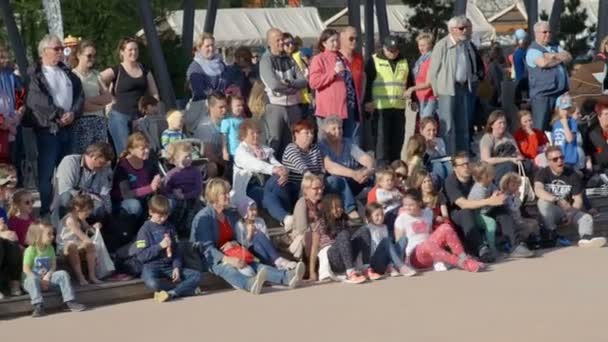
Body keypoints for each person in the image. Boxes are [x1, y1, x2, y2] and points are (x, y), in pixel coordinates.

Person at [190, 178, 305, 295]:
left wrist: (234, 243)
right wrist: (228, 259)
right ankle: (249, 284)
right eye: (224, 194)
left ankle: (287, 277)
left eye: (228, 193)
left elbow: (235, 236)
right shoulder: (204, 217)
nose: (228, 196)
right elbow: (206, 249)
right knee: (226, 268)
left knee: (255, 264)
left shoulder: (229, 214)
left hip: (230, 251)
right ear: (214, 196)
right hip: (209, 258)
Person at [25, 34, 85, 217]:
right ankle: (45, 212)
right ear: (44, 52)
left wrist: (73, 113)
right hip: (48, 130)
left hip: (68, 128)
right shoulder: (35, 74)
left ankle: (65, 210)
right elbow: (36, 100)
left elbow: (79, 95)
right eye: (57, 49)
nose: (61, 52)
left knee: (67, 172)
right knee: (47, 174)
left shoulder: (67, 72)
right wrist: (59, 115)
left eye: (62, 49)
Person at [444, 152, 533, 262]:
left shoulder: (477, 175)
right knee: (466, 212)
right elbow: (463, 204)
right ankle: (481, 249)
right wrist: (490, 201)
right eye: (462, 165)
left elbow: (492, 188)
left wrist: (499, 196)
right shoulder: (451, 181)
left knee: (501, 208)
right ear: (454, 168)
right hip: (460, 214)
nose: (466, 167)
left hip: (482, 209)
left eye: (467, 163)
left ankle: (515, 245)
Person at [429, 16, 484, 155]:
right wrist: (436, 92)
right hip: (446, 89)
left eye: (466, 27)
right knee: (447, 125)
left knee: (463, 124)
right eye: (461, 28)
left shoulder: (465, 45)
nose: (465, 30)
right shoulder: (442, 45)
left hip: (463, 87)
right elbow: (433, 71)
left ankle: (462, 155)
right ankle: (447, 155)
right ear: (452, 30)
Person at [394, 189, 484, 272]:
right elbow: (399, 243)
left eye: (411, 205)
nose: (407, 208)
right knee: (427, 244)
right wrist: (401, 264)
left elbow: (439, 225)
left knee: (446, 227)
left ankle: (464, 258)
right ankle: (462, 264)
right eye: (405, 205)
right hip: (415, 256)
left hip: (432, 251)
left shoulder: (428, 212)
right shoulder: (401, 219)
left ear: (419, 203)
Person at [534, 146, 606, 248]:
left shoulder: (572, 174)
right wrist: (557, 199)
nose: (560, 161)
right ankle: (552, 234)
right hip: (551, 211)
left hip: (568, 210)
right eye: (555, 159)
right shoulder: (542, 173)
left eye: (562, 157)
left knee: (586, 218)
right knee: (543, 202)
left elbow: (578, 200)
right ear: (549, 162)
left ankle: (586, 239)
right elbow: (538, 190)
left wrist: (570, 214)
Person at [136, 195, 202, 303]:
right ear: (151, 212)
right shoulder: (144, 230)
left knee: (196, 275)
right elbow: (141, 256)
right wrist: (159, 246)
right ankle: (185, 290)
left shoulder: (170, 227)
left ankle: (172, 293)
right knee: (152, 283)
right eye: (159, 216)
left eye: (165, 215)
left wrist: (176, 266)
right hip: (151, 266)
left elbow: (177, 251)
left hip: (168, 265)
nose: (163, 219)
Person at [100, 37, 159, 155]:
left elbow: (154, 92)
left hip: (139, 117)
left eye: (136, 49)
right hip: (119, 116)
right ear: (122, 52)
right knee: (125, 152)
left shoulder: (144, 69)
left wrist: (152, 107)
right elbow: (98, 79)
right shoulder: (118, 70)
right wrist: (109, 97)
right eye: (130, 50)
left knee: (143, 151)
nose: (134, 52)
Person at [233, 119, 294, 229]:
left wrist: (283, 171)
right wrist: (274, 169)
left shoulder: (264, 149)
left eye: (258, 133)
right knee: (266, 194)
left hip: (266, 184)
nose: (256, 136)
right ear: (243, 136)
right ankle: (285, 217)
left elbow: (276, 163)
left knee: (279, 179)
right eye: (252, 133)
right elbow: (255, 164)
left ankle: (287, 217)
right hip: (249, 188)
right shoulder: (241, 152)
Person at [259, 28, 308, 158]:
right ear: (269, 43)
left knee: (293, 144)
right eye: (278, 40)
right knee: (274, 144)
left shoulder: (290, 59)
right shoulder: (266, 60)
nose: (282, 43)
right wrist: (292, 87)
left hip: (293, 106)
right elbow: (273, 84)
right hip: (275, 107)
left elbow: (303, 81)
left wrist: (289, 83)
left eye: (282, 39)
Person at [23, 221, 86, 317]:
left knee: (63, 274)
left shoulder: (50, 248)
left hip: (47, 280)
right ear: (38, 236)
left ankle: (69, 302)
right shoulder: (30, 250)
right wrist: (40, 280)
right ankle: (38, 305)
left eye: (52, 234)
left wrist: (48, 276)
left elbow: (53, 266)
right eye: (49, 234)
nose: (52, 236)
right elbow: (26, 269)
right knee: (32, 279)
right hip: (33, 282)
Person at [364, 35, 410, 163]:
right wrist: (367, 101)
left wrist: (413, 97)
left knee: (397, 142)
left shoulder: (404, 61)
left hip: (399, 108)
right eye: (390, 50)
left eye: (395, 50)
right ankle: (382, 172)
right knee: (381, 145)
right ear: (383, 48)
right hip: (380, 109)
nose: (393, 53)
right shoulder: (374, 61)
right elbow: (366, 83)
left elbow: (410, 81)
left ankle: (396, 170)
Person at [319, 115, 374, 221]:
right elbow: (330, 167)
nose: (338, 131)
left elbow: (365, 158)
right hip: (334, 185)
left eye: (340, 128)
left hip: (353, 180)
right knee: (336, 179)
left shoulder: (348, 142)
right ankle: (350, 209)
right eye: (333, 129)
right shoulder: (322, 145)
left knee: (373, 175)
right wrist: (354, 174)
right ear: (325, 132)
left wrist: (368, 170)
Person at [309, 29, 359, 142]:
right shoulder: (319, 59)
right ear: (324, 43)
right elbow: (314, 82)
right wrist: (333, 72)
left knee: (345, 142)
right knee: (327, 141)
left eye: (337, 40)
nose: (335, 44)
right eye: (332, 41)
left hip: (346, 107)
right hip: (328, 109)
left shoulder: (342, 58)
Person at [308, 194, 367, 284]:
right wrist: (312, 272)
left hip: (347, 255)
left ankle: (367, 267)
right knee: (343, 234)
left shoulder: (344, 220)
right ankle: (351, 273)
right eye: (334, 207)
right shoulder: (320, 223)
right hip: (333, 257)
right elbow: (314, 248)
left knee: (364, 230)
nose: (338, 209)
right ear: (327, 209)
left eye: (340, 206)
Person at [526, 21, 571, 131]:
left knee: (560, 124)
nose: (548, 34)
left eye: (550, 32)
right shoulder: (533, 50)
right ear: (536, 33)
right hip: (543, 96)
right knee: (541, 127)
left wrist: (553, 56)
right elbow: (544, 64)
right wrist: (559, 58)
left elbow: (568, 57)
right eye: (544, 32)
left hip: (560, 93)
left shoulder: (554, 47)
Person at [69, 40, 111, 154]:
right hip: (82, 123)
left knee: (101, 155)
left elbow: (108, 98)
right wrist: (100, 104)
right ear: (79, 55)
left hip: (100, 122)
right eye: (89, 55)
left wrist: (89, 100)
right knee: (85, 156)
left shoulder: (96, 74)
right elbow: (82, 106)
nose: (92, 59)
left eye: (94, 56)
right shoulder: (73, 76)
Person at [234, 198, 298, 270]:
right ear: (244, 212)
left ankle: (276, 264)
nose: (254, 212)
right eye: (251, 210)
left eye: (255, 209)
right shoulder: (239, 225)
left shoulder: (260, 221)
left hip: (265, 248)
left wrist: (257, 233)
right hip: (251, 251)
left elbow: (267, 239)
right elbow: (242, 245)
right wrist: (250, 234)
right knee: (257, 238)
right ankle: (278, 262)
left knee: (259, 238)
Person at [56, 141, 114, 218]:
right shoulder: (70, 161)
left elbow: (105, 193)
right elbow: (65, 189)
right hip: (73, 200)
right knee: (66, 197)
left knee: (101, 208)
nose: (103, 167)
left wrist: (108, 212)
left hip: (89, 204)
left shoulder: (103, 169)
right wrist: (90, 196)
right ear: (93, 157)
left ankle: (93, 228)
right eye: (101, 163)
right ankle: (66, 226)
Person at [112, 132, 162, 220]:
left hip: (144, 199)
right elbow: (126, 194)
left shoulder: (148, 163)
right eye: (143, 148)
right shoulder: (122, 167)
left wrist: (159, 180)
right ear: (131, 150)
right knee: (135, 205)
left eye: (147, 147)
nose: (147, 150)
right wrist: (150, 188)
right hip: (124, 203)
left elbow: (157, 177)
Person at [56, 194, 103, 285]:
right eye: (86, 213)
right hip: (64, 247)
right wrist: (88, 242)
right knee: (74, 246)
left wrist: (95, 227)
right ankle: (80, 277)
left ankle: (92, 276)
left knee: (89, 245)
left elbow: (89, 230)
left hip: (77, 243)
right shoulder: (70, 220)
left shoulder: (80, 218)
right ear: (77, 209)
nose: (87, 216)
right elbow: (83, 237)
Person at [358, 202, 415, 276]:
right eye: (377, 215)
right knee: (386, 241)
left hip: (386, 260)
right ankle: (401, 266)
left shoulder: (384, 227)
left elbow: (389, 249)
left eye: (382, 214)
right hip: (375, 262)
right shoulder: (367, 228)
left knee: (403, 239)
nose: (381, 217)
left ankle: (393, 266)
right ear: (369, 217)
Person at [162, 141, 203, 237]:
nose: (189, 159)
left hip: (192, 199)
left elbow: (198, 190)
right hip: (177, 200)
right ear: (176, 159)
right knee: (174, 205)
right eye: (185, 157)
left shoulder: (195, 172)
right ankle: (173, 228)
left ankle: (187, 230)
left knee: (193, 210)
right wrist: (174, 193)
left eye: (190, 156)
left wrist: (184, 196)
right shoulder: (172, 174)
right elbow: (166, 190)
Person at [479, 110, 525, 183]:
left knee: (528, 164)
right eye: (499, 123)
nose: (503, 125)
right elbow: (486, 160)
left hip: (511, 163)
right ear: (492, 125)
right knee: (509, 165)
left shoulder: (508, 136)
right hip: (493, 169)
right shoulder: (487, 138)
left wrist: (519, 157)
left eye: (504, 123)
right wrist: (509, 159)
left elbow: (517, 152)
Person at [0, 44, 26, 171]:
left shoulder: (12, 76)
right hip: (3, 127)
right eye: (1, 57)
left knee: (13, 165)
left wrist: (18, 114)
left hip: (14, 125)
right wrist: (6, 123)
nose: (5, 60)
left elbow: (21, 98)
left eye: (6, 57)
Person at [281, 119, 324, 191]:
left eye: (312, 133)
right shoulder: (291, 148)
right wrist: (311, 178)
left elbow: (321, 168)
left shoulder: (315, 148)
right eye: (306, 133)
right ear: (296, 134)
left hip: (314, 184)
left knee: (334, 181)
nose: (310, 136)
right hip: (295, 185)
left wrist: (321, 178)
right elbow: (301, 166)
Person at [291, 173, 324, 262]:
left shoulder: (324, 202)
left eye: (321, 188)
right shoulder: (302, 203)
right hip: (307, 235)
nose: (320, 191)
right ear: (306, 190)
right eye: (316, 189)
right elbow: (302, 228)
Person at [193, 92, 228, 178]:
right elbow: (208, 154)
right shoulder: (205, 127)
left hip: (224, 159)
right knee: (212, 167)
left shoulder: (226, 121)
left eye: (225, 106)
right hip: (209, 164)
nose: (225, 110)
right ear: (211, 107)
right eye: (221, 107)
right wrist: (226, 164)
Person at [468, 162, 499, 253]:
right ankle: (491, 247)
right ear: (483, 176)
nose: (493, 176)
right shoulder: (478, 190)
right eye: (490, 174)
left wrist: (497, 193)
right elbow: (482, 208)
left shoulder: (489, 183)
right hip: (476, 214)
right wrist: (493, 200)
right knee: (491, 222)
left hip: (485, 210)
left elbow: (495, 189)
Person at [499, 172, 538, 242]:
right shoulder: (505, 196)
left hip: (519, 219)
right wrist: (517, 198)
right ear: (507, 185)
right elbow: (514, 208)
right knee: (529, 226)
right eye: (515, 186)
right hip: (514, 221)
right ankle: (520, 241)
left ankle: (533, 239)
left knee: (534, 222)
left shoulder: (511, 195)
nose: (517, 188)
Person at [406, 33, 437, 118]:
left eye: (424, 45)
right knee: (423, 125)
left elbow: (428, 83)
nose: (421, 48)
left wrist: (411, 89)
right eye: (419, 45)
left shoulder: (432, 59)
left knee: (427, 123)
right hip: (420, 97)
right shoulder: (420, 60)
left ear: (431, 45)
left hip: (430, 97)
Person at [339, 26, 364, 126]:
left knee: (354, 139)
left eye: (356, 39)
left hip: (355, 106)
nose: (354, 41)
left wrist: (361, 98)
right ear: (342, 38)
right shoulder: (335, 57)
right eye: (351, 38)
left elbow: (363, 77)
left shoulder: (359, 58)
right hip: (339, 106)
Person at [283, 33, 312, 117]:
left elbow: (305, 70)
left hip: (303, 95)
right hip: (290, 97)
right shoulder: (280, 60)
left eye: (292, 43)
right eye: (287, 44)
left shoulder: (298, 54)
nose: (291, 46)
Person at [551, 94, 579, 168]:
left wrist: (565, 124)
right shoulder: (555, 123)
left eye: (568, 109)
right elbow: (554, 141)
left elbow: (569, 139)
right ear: (558, 109)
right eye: (563, 109)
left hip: (568, 159)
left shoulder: (572, 122)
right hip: (557, 158)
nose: (565, 112)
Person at [0, 201, 22, 298]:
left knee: (12, 238)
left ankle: (14, 281)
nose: (2, 192)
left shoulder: (1, 211)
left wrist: (4, 230)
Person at [420, 117, 451, 183]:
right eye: (429, 130)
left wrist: (436, 149)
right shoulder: (419, 142)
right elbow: (422, 162)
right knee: (438, 166)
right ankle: (438, 187)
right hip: (425, 166)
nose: (432, 133)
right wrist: (430, 150)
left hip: (439, 162)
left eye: (434, 130)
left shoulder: (439, 141)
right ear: (422, 131)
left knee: (449, 166)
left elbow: (443, 157)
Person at [220, 95, 246, 163]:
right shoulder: (227, 121)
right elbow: (224, 138)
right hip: (232, 153)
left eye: (242, 105)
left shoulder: (243, 120)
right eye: (238, 106)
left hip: (243, 151)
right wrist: (224, 151)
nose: (241, 108)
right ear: (229, 106)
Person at [588, 105, 608, 176]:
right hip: (599, 169)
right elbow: (588, 149)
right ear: (599, 117)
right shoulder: (592, 132)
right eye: (606, 114)